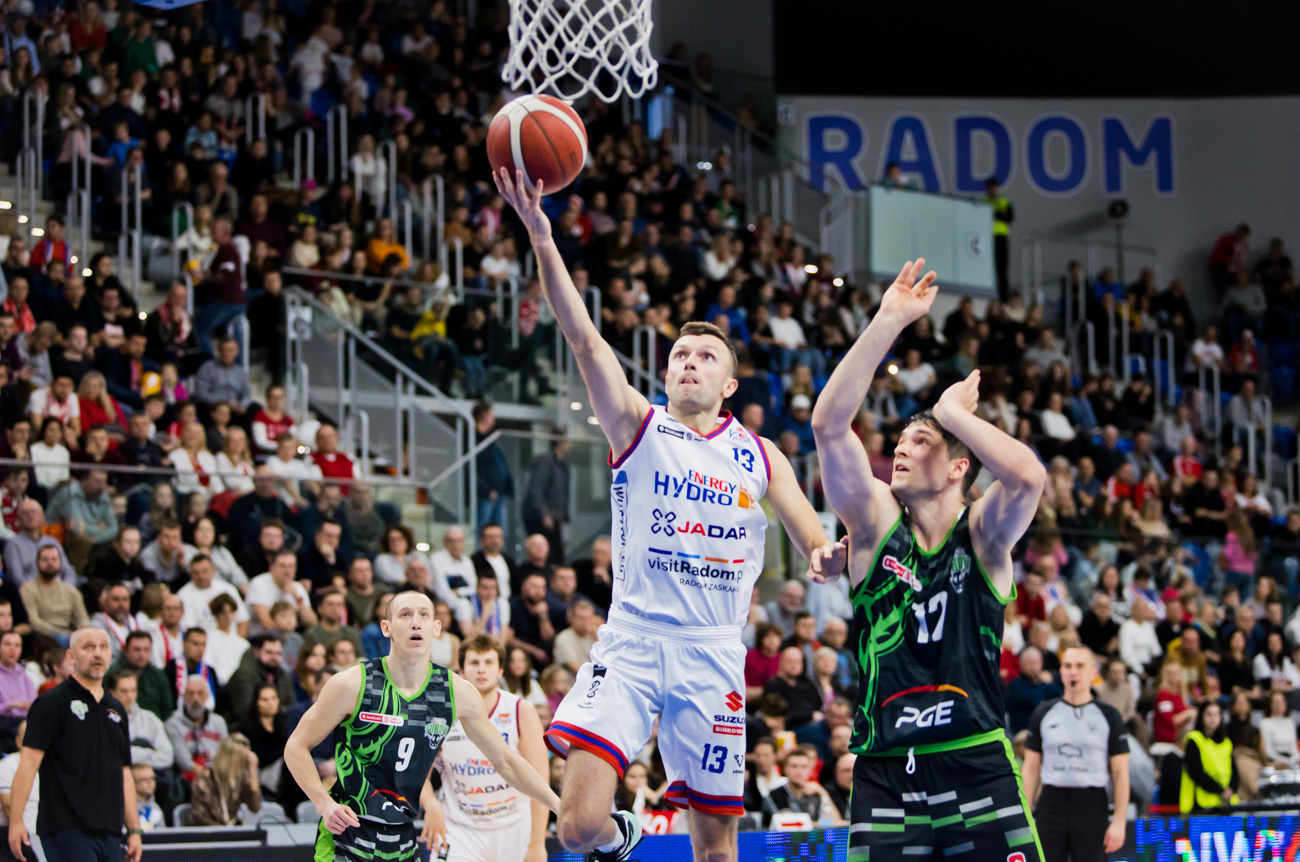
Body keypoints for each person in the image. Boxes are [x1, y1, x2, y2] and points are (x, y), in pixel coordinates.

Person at [495, 167, 845, 862]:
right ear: (665, 374)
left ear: (729, 382)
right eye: (680, 354)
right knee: (578, 828)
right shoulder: (638, 426)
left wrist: (824, 555)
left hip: (712, 650)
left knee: (715, 846)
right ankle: (624, 835)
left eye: (706, 356)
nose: (689, 362)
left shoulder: (761, 455)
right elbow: (585, 339)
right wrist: (541, 236)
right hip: (632, 639)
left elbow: (812, 533)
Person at [811, 258, 1047, 861]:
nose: (901, 450)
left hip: (976, 758)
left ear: (958, 467)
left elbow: (1027, 477)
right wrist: (888, 320)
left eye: (921, 442)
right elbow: (829, 426)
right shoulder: (873, 529)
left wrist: (953, 415)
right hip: (886, 768)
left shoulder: (984, 533)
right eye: (899, 442)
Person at [284, 591, 562, 862]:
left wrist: (559, 807)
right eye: (405, 614)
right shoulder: (352, 683)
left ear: (436, 628)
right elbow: (296, 746)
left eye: (424, 615)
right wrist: (323, 803)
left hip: (403, 837)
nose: (416, 622)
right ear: (386, 627)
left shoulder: (456, 692)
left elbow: (506, 760)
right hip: (346, 834)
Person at [7, 628, 143, 862]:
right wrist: (16, 821)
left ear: (110, 654)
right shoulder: (51, 702)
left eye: (103, 647)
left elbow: (124, 771)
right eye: (88, 647)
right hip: (66, 828)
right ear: (70, 656)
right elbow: (28, 763)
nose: (97, 653)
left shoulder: (117, 708)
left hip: (111, 830)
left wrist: (134, 830)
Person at [433, 636, 549, 862]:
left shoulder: (521, 710)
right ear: (462, 670)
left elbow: (540, 780)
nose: (481, 669)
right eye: (474, 663)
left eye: (488, 662)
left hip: (514, 827)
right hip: (459, 828)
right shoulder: (442, 712)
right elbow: (420, 773)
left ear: (500, 670)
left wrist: (537, 842)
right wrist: (430, 805)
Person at [1021, 646, 1130, 861]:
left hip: (1092, 804)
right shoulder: (1044, 712)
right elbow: (1031, 768)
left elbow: (1120, 772)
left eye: (1080, 666)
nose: (1073, 672)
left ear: (1093, 672)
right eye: (1068, 666)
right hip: (1051, 803)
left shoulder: (1109, 715)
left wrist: (1119, 821)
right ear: (1061, 672)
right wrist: (1025, 814)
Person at [164, 675, 229, 783]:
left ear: (207, 696)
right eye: (190, 693)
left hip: (218, 773)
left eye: (200, 693)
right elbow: (184, 761)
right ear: (183, 696)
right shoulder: (173, 724)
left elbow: (226, 753)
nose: (195, 698)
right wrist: (210, 777)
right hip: (188, 780)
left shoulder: (218, 721)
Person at [187, 733, 262, 827]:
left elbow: (255, 807)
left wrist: (253, 770)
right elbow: (200, 819)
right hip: (210, 832)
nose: (242, 767)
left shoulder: (238, 780)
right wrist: (227, 831)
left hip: (230, 831)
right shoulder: (205, 780)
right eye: (241, 762)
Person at [1180, 701, 1239, 813]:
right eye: (1209, 714)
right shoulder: (1194, 739)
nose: (1213, 718)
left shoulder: (1227, 742)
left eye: (1216, 714)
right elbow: (1196, 772)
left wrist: (1230, 790)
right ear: (1201, 716)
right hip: (1201, 805)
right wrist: (1220, 790)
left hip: (1227, 803)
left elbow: (1234, 772)